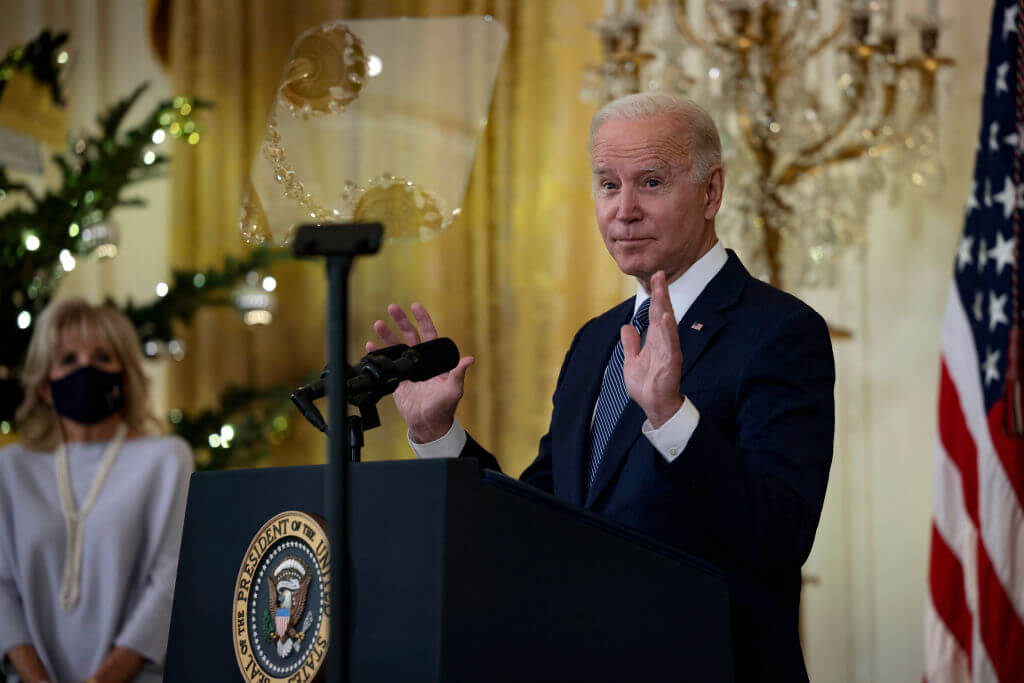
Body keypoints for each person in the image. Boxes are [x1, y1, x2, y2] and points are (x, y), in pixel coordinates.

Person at [369, 93, 835, 681]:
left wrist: (672, 417)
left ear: (711, 191)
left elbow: (780, 535)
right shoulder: (595, 342)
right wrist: (437, 435)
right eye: (608, 185)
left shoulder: (779, 331)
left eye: (651, 182)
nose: (625, 210)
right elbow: (538, 520)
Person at [0, 299, 192, 683]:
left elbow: (170, 581)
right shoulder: (11, 467)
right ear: (44, 386)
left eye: (102, 357)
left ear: (124, 375)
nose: (85, 369)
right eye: (68, 359)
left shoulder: (166, 460)